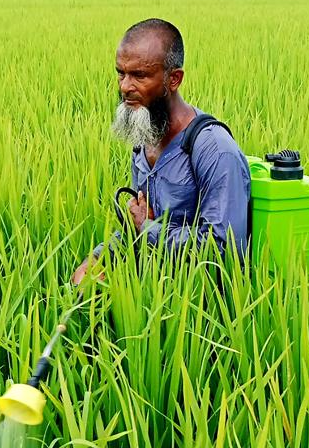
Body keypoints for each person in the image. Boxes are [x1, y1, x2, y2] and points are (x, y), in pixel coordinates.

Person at [73, 18, 250, 285]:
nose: (124, 86)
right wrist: (98, 258)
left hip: (200, 306)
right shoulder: (145, 134)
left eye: (139, 76)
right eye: (121, 73)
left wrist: (149, 228)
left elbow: (222, 248)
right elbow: (137, 230)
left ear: (174, 79)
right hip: (155, 289)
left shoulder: (213, 149)